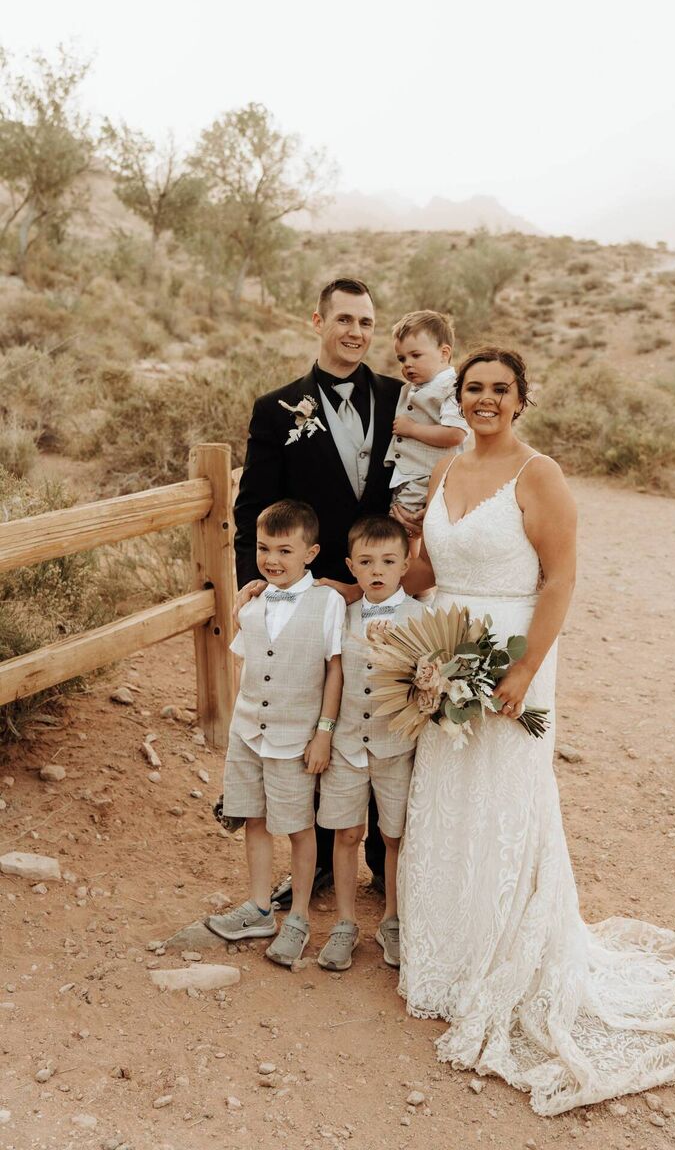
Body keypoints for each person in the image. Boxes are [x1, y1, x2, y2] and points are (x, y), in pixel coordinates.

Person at [397, 347, 675, 1114]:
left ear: (521, 400)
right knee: (446, 794)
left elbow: (560, 578)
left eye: (500, 390)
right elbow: (425, 573)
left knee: (506, 797)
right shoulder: (446, 468)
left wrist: (523, 670)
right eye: (473, 388)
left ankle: (505, 956)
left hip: (511, 652)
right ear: (459, 398)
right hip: (445, 649)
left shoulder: (540, 475)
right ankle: (446, 955)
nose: (485, 399)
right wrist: (377, 575)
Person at [234, 278, 407, 908]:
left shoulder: (399, 397)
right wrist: (256, 586)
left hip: (385, 588)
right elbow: (253, 505)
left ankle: (385, 861)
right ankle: (327, 863)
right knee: (317, 717)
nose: (356, 332)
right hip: (314, 593)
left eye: (366, 321)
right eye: (344, 319)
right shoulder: (276, 409)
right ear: (318, 321)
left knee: (383, 711)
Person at [207, 500, 344, 967]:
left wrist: (324, 732)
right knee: (255, 819)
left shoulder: (327, 603)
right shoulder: (255, 599)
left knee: (299, 827)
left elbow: (335, 670)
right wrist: (244, 605)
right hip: (248, 732)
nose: (272, 559)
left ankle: (299, 917)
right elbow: (248, 660)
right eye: (264, 548)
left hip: (295, 739)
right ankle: (260, 907)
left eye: (285, 551)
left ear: (311, 553)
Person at [316, 515, 426, 971]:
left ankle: (392, 919)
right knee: (345, 833)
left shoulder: (421, 618)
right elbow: (333, 675)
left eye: (387, 561)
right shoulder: (342, 615)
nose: (376, 570)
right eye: (365, 562)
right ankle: (345, 923)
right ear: (351, 567)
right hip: (346, 745)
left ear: (405, 565)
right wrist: (324, 734)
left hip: (395, 747)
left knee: (394, 835)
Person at [384, 310, 468, 525]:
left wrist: (412, 429)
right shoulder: (412, 388)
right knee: (400, 521)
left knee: (399, 525)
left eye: (416, 355)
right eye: (402, 359)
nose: (407, 364)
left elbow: (455, 434)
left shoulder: (452, 387)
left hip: (428, 476)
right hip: (407, 474)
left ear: (444, 353)